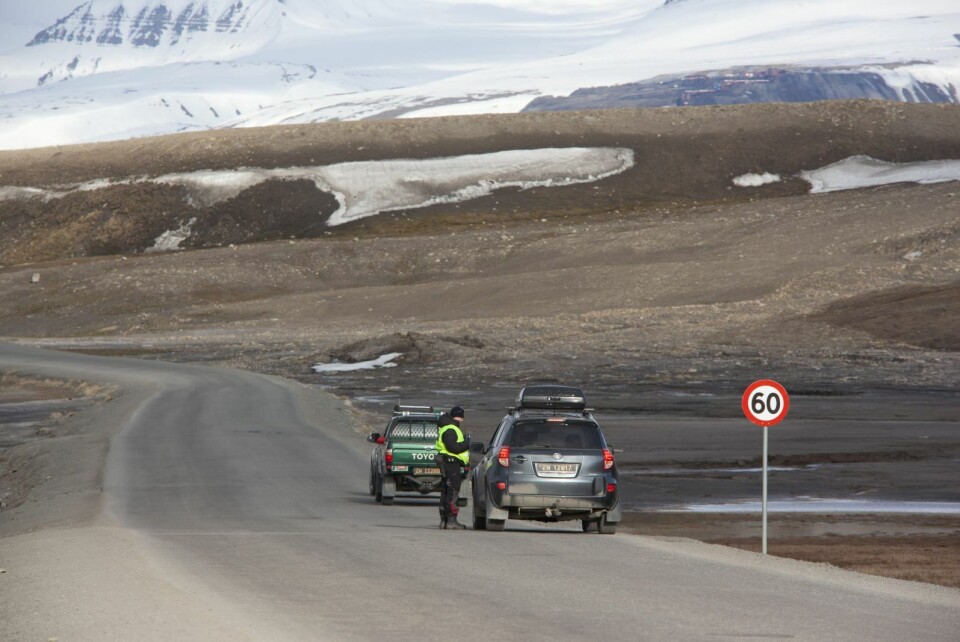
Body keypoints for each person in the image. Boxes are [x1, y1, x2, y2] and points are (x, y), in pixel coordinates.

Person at [436, 405, 470, 529]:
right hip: (451, 463)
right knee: (452, 490)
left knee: (446, 490)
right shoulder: (451, 429)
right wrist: (467, 443)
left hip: (446, 462)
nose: (462, 421)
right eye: (462, 418)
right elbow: (453, 448)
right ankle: (451, 521)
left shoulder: (446, 427)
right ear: (459, 417)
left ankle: (444, 521)